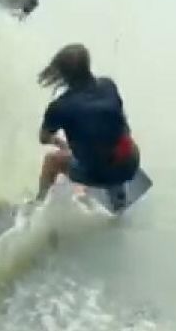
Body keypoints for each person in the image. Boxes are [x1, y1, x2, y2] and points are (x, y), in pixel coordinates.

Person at [34, 43, 140, 208]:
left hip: (96, 172)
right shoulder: (108, 85)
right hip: (130, 161)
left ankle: (37, 205)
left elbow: (43, 137)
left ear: (62, 73)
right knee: (118, 134)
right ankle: (118, 196)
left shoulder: (60, 106)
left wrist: (62, 144)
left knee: (52, 160)